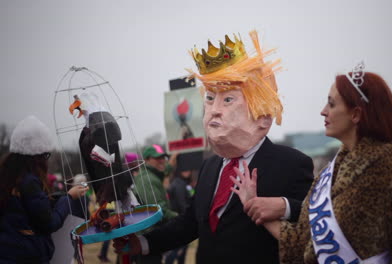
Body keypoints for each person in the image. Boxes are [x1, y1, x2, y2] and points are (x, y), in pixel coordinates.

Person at [113, 30, 314, 264]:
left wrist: (283, 207)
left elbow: (312, 222)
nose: (215, 110)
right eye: (210, 98)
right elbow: (190, 223)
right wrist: (144, 244)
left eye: (228, 100)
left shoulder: (291, 163)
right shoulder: (210, 166)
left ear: (263, 118)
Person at [233, 62, 392, 263]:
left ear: (356, 114)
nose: (323, 111)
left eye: (332, 104)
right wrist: (253, 205)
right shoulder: (330, 173)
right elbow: (302, 242)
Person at [0, 116, 88, 263]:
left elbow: (24, 208)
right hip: (25, 255)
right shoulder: (29, 182)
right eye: (46, 155)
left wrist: (54, 199)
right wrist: (69, 198)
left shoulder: (7, 177)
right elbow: (49, 223)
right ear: (37, 156)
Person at [132, 144, 178, 264]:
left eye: (163, 157)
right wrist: (182, 219)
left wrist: (175, 155)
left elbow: (166, 167)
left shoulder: (152, 173)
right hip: (147, 237)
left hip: (150, 237)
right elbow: (158, 210)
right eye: (157, 158)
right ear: (146, 160)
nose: (162, 161)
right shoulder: (147, 179)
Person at [164, 168, 194, 264]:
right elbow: (182, 204)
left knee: (180, 251)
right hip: (180, 221)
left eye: (188, 168)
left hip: (180, 221)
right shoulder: (179, 184)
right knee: (177, 250)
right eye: (184, 169)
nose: (187, 170)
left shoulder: (183, 183)